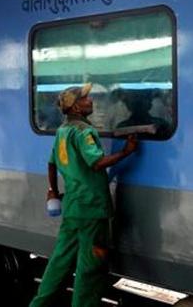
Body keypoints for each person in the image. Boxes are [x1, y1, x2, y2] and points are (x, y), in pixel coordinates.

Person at [29, 83, 138, 307]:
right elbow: (97, 162)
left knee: (60, 261)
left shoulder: (62, 131)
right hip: (91, 206)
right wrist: (126, 152)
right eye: (86, 99)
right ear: (76, 107)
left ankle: (39, 304)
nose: (91, 102)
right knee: (90, 265)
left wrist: (53, 191)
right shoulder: (84, 131)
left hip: (73, 206)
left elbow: (51, 164)